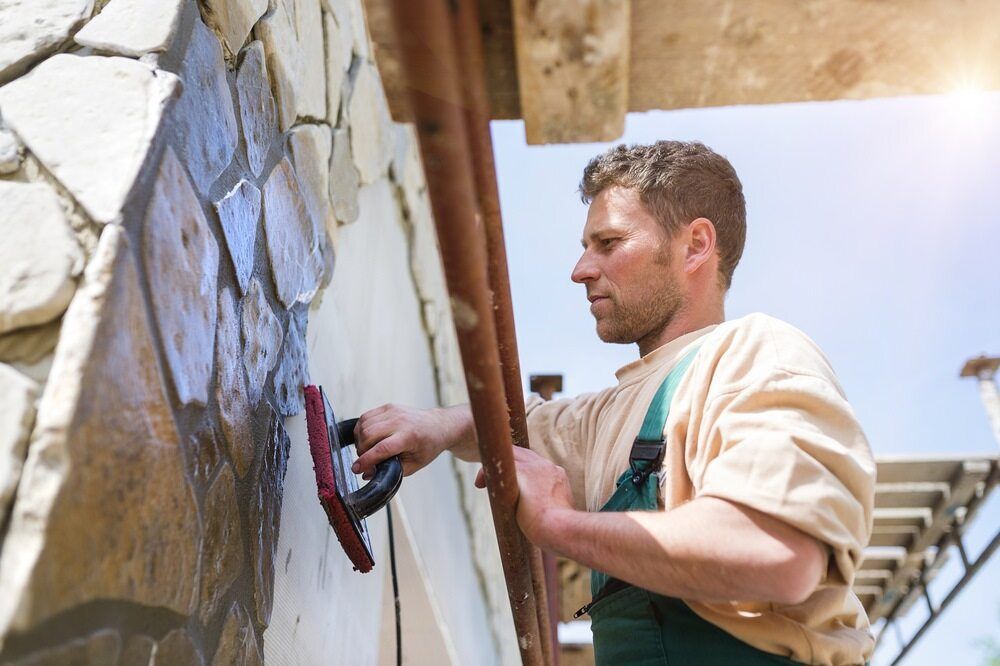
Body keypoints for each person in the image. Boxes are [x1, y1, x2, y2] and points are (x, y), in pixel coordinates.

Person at [351, 141, 876, 665]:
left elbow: (775, 553)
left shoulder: (753, 354)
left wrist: (557, 524)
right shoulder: (609, 417)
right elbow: (522, 424)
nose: (580, 269)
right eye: (586, 246)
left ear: (695, 245)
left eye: (609, 242)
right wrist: (433, 427)